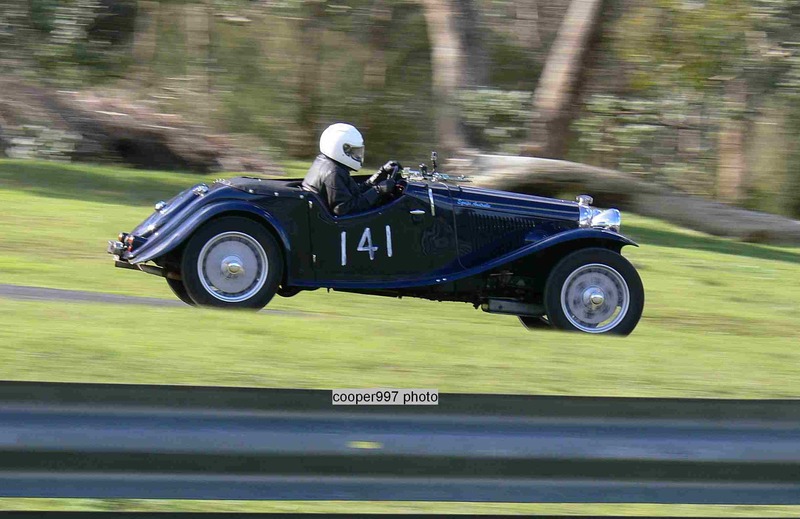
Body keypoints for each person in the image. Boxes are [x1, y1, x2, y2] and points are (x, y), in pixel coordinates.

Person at [302, 123, 401, 216]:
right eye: (353, 151)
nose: (357, 155)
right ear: (341, 149)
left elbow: (353, 194)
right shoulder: (333, 173)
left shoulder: (327, 164)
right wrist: (378, 190)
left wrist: (380, 174)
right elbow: (344, 209)